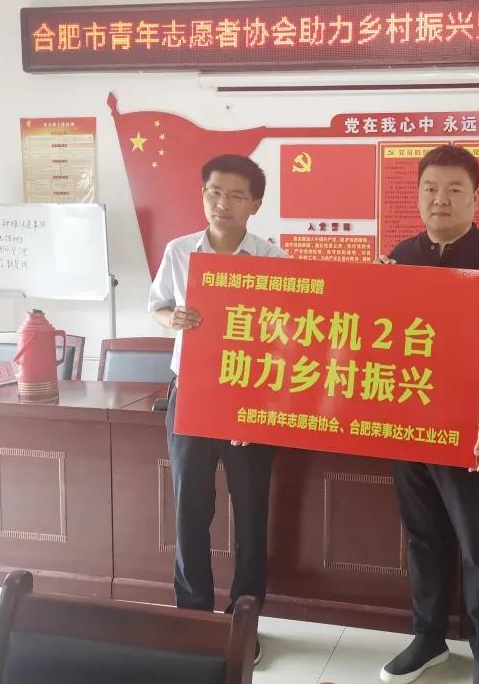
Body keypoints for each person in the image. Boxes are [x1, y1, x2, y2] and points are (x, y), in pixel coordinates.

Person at [378, 145, 479, 684]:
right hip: (407, 423)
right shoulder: (399, 257)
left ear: (474, 197)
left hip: (470, 427)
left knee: (478, 541)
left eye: (453, 189)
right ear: (417, 194)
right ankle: (428, 638)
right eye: (430, 188)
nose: (439, 199)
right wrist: (372, 290)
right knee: (422, 536)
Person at [147, 153, 287, 665]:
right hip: (192, 390)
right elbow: (158, 306)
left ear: (255, 204)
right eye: (214, 192)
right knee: (191, 507)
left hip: (250, 395)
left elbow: (289, 333)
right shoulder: (180, 250)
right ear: (203, 195)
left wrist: (259, 406)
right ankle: (193, 617)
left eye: (235, 195)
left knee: (250, 511)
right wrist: (174, 319)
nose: (222, 203)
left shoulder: (273, 259)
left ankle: (244, 620)